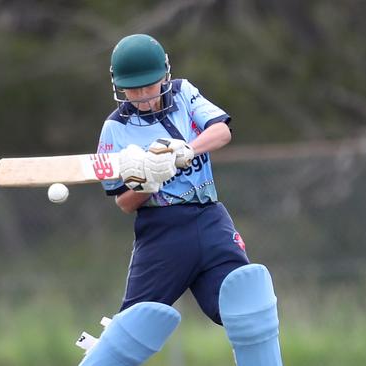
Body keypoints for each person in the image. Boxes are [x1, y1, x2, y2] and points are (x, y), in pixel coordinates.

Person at [77, 34, 283, 366]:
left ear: (165, 76)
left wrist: (186, 150)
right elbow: (124, 202)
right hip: (161, 233)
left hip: (210, 218)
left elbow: (222, 131)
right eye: (134, 89)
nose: (143, 96)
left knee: (249, 302)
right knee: (129, 329)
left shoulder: (184, 93)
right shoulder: (114, 129)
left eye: (150, 85)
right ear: (119, 87)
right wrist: (150, 180)